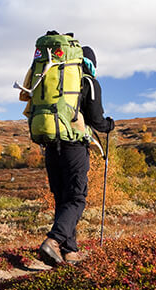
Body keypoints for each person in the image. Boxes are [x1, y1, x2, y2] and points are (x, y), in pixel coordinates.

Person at [33, 45, 113, 266]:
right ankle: (53, 241)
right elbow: (97, 120)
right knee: (76, 198)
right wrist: (109, 125)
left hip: (51, 146)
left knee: (63, 199)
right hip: (74, 147)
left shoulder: (55, 80)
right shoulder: (88, 82)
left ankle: (70, 251)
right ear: (91, 64)